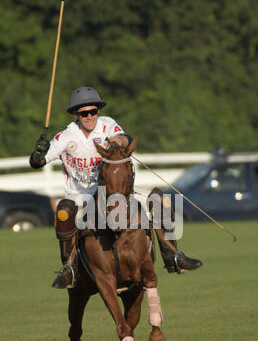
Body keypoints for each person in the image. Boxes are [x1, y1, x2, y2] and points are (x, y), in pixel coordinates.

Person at [30, 86, 202, 289]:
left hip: (113, 192)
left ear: (98, 111)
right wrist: (38, 153)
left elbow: (125, 138)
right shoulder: (66, 137)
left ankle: (173, 256)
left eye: (93, 111)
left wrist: (117, 140)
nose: (90, 116)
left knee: (159, 199)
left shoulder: (107, 125)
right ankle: (69, 268)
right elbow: (37, 162)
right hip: (81, 197)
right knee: (64, 212)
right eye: (84, 113)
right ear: (76, 114)